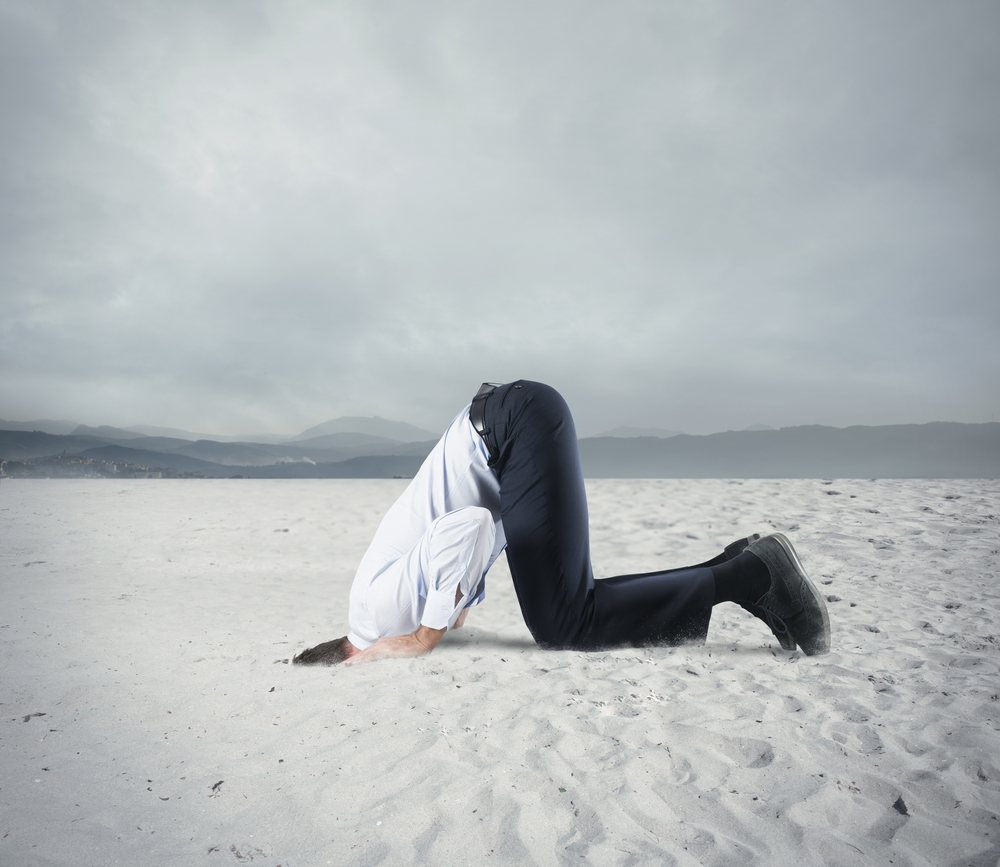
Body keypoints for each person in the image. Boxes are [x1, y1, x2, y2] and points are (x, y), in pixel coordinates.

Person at [293, 381, 830, 667]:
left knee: (563, 623)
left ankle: (752, 577)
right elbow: (449, 545)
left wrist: (424, 636)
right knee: (572, 604)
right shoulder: (373, 609)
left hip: (510, 430)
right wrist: (452, 606)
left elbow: (471, 526)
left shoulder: (378, 617)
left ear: (353, 659)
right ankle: (734, 566)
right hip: (511, 423)